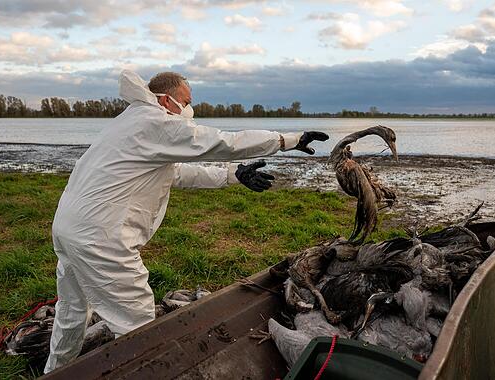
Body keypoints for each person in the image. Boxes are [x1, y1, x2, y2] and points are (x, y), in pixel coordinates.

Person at [44, 69, 329, 373]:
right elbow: (223, 142)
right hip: (101, 237)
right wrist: (286, 140)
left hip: (69, 228)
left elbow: (176, 173)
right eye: (187, 101)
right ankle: (144, 373)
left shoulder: (133, 121)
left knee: (72, 309)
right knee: (137, 327)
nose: (190, 109)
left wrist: (234, 175)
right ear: (167, 100)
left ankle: (54, 371)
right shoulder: (154, 122)